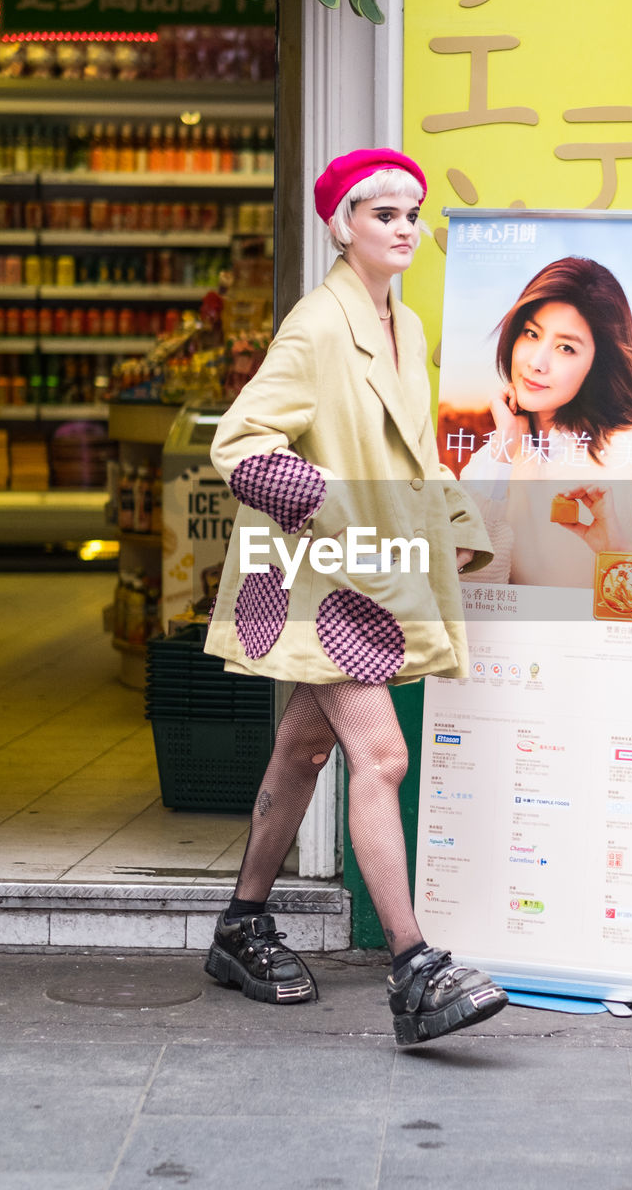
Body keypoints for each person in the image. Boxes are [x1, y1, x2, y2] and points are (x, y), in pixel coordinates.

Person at [202, 148, 508, 1045]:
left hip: (374, 569)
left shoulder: (403, 324)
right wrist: (325, 506)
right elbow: (240, 442)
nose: (405, 226)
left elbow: (408, 449)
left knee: (303, 752)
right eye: (383, 213)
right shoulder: (317, 324)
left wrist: (455, 522)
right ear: (342, 225)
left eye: (413, 212)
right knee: (379, 759)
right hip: (324, 577)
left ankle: (240, 926)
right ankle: (415, 972)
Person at [462, 256, 632, 587]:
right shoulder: (490, 462)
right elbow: (470, 595)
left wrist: (620, 552)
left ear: (598, 363)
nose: (537, 363)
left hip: (610, 637)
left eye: (566, 348)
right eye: (531, 333)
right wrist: (501, 453)